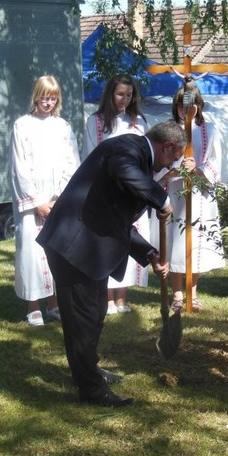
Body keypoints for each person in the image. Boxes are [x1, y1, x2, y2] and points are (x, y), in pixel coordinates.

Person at [37, 120, 190, 407]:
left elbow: (118, 217)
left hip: (87, 246)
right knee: (82, 319)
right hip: (73, 245)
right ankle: (91, 390)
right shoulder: (127, 148)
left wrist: (149, 253)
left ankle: (88, 371)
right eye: (173, 158)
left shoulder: (135, 157)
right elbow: (125, 172)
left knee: (93, 314)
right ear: (167, 146)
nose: (169, 166)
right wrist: (161, 199)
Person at [9, 75, 80, 327]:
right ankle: (33, 305)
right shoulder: (22, 125)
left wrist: (59, 198)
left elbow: (71, 162)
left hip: (57, 199)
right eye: (44, 97)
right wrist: (36, 202)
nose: (48, 103)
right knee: (31, 251)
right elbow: (18, 167)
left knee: (55, 251)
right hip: (32, 202)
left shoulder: (63, 127)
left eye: (53, 98)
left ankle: (53, 303)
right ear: (36, 96)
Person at [152, 84, 225, 312]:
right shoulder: (166, 130)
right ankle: (177, 293)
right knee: (175, 241)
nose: (186, 110)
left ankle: (192, 292)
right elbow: (156, 160)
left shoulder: (209, 130)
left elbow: (216, 162)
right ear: (175, 106)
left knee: (197, 241)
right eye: (181, 105)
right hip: (174, 191)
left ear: (199, 106)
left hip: (199, 193)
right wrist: (173, 169)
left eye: (191, 105)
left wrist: (199, 169)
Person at [83, 74, 149, 315]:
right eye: (120, 94)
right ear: (111, 94)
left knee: (131, 240)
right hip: (107, 190)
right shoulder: (96, 121)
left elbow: (145, 156)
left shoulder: (139, 122)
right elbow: (89, 156)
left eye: (129, 95)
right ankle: (108, 297)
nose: (124, 99)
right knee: (107, 241)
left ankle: (122, 296)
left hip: (132, 191)